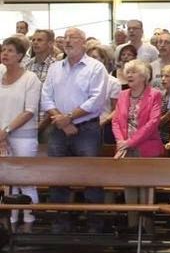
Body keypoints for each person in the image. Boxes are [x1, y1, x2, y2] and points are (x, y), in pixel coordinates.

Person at [40, 28, 110, 233]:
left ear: (84, 43)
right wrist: (61, 120)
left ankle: (94, 223)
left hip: (87, 129)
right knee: (57, 177)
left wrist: (68, 117)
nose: (68, 41)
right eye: (66, 38)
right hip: (58, 128)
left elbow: (96, 100)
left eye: (73, 38)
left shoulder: (96, 68)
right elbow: (46, 97)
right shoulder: (54, 68)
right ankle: (60, 222)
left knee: (91, 177)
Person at [111, 59, 162, 234]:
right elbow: (116, 121)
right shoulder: (123, 95)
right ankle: (133, 228)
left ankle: (147, 232)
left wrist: (130, 142)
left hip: (146, 148)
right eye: (128, 71)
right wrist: (121, 142)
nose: (129, 75)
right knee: (129, 190)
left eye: (134, 71)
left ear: (144, 76)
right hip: (125, 149)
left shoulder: (154, 94)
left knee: (146, 190)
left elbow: (153, 123)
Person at [0, 35, 41, 230]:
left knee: (26, 180)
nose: (5, 54)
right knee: (7, 181)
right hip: (1, 136)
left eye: (10, 51)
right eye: (3, 50)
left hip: (23, 135)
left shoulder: (30, 78)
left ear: (20, 56)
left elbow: (30, 110)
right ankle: (11, 221)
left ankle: (30, 220)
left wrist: (7, 130)